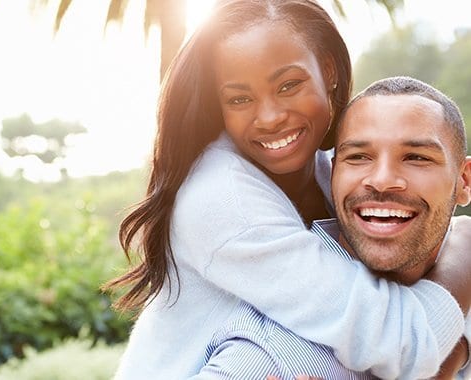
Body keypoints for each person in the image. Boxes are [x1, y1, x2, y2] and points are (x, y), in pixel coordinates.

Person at [106, 1, 471, 379]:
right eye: (239, 99)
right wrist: (465, 248)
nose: (270, 117)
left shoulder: (329, 168)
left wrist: (456, 349)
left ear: (328, 70)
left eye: (289, 85)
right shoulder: (223, 199)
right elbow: (400, 342)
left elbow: (414, 298)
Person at [191, 76, 471, 380]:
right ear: (333, 170)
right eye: (359, 157)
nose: (381, 179)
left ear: (464, 182)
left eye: (416, 157)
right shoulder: (272, 351)